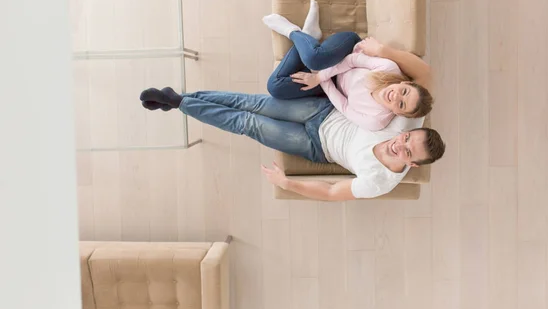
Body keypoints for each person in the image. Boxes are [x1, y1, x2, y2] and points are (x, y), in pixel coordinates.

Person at [139, 88, 446, 201]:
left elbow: (330, 192)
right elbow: (423, 86)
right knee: (253, 103)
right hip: (323, 110)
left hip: (315, 145)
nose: (398, 145)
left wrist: (286, 183)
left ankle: (179, 102)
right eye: (405, 139)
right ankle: (181, 99)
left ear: (412, 164)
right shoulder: (407, 124)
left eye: (407, 152)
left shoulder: (381, 182)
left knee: (249, 123)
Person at [263, 1, 433, 131]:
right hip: (347, 52)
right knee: (315, 60)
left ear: (399, 114)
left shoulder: (376, 121)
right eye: (404, 92)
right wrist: (318, 75)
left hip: (331, 82)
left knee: (275, 87)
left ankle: (308, 36)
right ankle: (292, 31)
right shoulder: (389, 69)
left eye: (401, 104)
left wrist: (320, 80)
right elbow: (353, 61)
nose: (396, 97)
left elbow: (344, 106)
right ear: (405, 83)